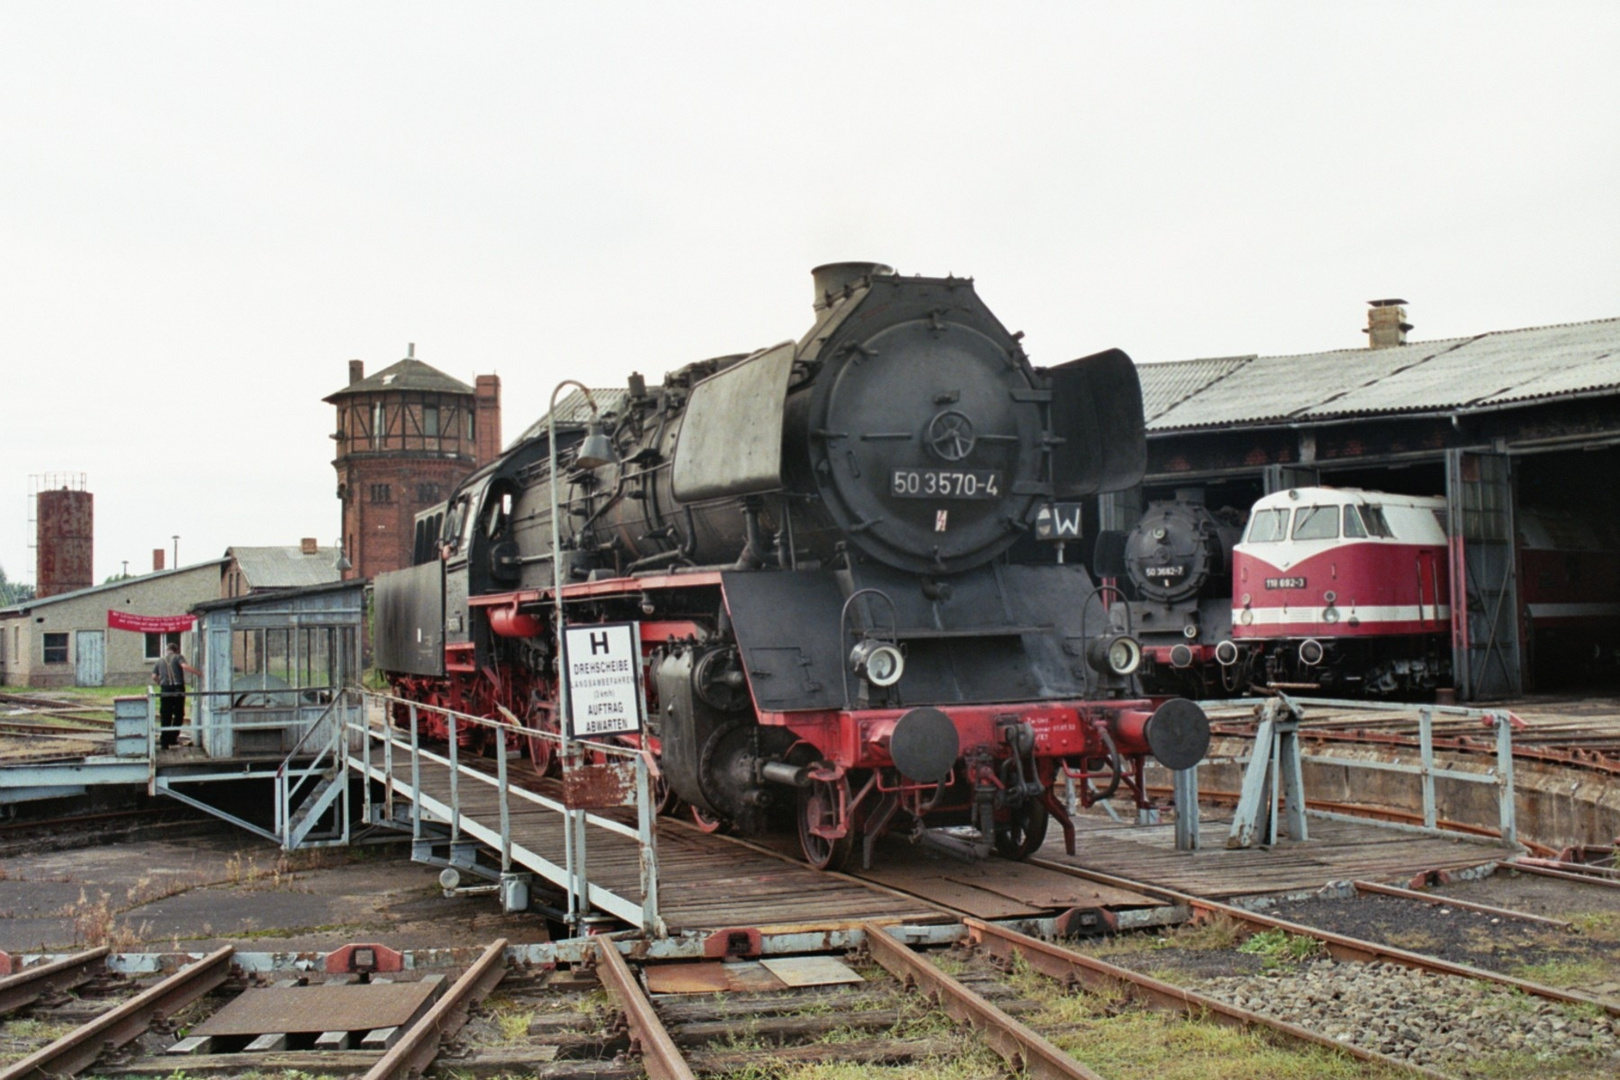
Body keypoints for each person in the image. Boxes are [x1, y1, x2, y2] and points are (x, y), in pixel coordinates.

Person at [151, 641, 198, 749]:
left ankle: (164, 742)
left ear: (167, 650)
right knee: (178, 714)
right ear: (176, 650)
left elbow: (154, 676)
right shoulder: (178, 657)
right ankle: (173, 737)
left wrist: (160, 682)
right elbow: (184, 666)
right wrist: (199, 673)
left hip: (165, 689)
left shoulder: (159, 660)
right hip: (178, 688)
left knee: (165, 715)